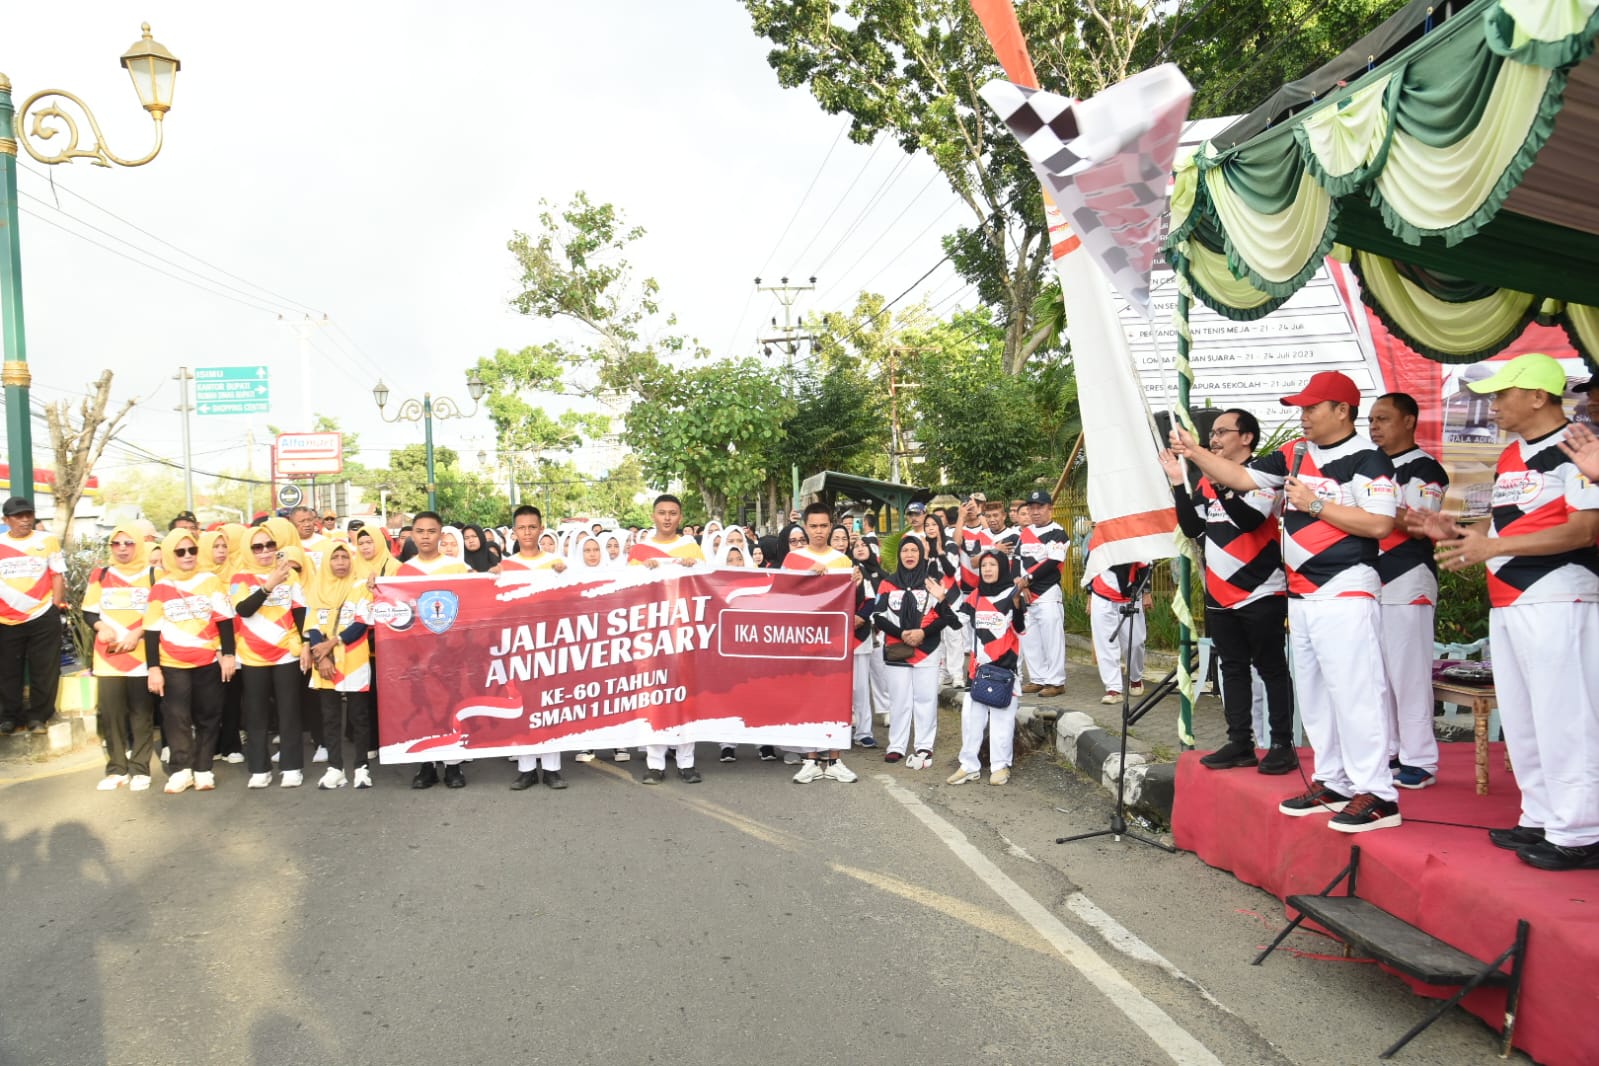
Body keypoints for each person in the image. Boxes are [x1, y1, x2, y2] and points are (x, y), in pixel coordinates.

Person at [1173, 370, 1401, 833]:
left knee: (1355, 691)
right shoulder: (1294, 453)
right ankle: (1332, 779)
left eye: (1312, 408)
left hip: (1346, 587)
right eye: (1300, 408)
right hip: (1302, 592)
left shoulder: (1368, 460)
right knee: (1315, 693)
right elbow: (1238, 476)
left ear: (1342, 410)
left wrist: (1316, 505)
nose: (1303, 416)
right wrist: (1194, 452)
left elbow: (1379, 524)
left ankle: (1377, 792)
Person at [1415, 354, 1599, 870]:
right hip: (1510, 600)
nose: (1492, 405)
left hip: (1560, 595)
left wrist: (1493, 550)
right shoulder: (1514, 455)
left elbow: (1585, 531)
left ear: (1538, 396)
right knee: (1524, 718)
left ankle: (1581, 829)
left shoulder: (1580, 448)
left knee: (1567, 716)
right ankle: (1542, 816)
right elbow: (1508, 533)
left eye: (1502, 394)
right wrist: (1456, 533)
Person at [1159, 409, 1297, 775]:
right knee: (1231, 669)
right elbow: (1192, 527)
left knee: (1271, 668)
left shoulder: (1262, 475)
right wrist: (1178, 483)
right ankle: (1240, 742)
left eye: (1223, 431)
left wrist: (1218, 482)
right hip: (1219, 591)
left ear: (1247, 437)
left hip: (1261, 588)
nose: (1214, 438)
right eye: (1213, 432)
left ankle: (1283, 744)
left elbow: (1249, 520)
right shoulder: (1206, 480)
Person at [1368, 391, 1449, 790]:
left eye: (1382, 419)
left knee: (1409, 674)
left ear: (1409, 421)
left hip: (1408, 576)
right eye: (1370, 420)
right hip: (1372, 580)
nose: (1374, 427)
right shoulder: (1371, 467)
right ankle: (1392, 751)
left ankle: (1420, 759)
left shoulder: (1423, 467)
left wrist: (1371, 505)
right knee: (1379, 675)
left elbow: (1421, 523)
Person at [144, 528, 238, 793]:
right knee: (176, 718)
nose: (187, 556)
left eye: (192, 550)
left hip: (208, 661)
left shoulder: (210, 580)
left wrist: (228, 654)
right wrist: (154, 668)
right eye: (180, 551)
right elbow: (151, 630)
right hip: (172, 664)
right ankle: (181, 769)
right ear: (169, 555)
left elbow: (224, 620)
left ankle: (203, 768)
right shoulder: (160, 587)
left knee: (209, 715)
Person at [628, 495, 705, 783]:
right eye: (662, 513)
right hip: (651, 634)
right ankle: (655, 763)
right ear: (653, 515)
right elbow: (627, 590)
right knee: (655, 697)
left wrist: (693, 568)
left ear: (681, 517)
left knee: (686, 697)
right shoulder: (640, 550)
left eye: (673, 513)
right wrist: (640, 571)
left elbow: (706, 586)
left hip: (684, 632)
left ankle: (687, 762)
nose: (667, 518)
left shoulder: (691, 548)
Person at [782, 502, 858, 784]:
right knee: (808, 697)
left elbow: (850, 601)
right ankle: (811, 759)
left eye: (823, 526)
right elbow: (783, 596)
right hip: (804, 639)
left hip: (835, 639)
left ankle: (835, 758)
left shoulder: (842, 561)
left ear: (830, 526)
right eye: (813, 526)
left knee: (837, 697)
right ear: (804, 527)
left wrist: (856, 582)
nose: (818, 531)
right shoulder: (793, 559)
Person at [397, 512, 474, 789]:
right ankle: (426, 765)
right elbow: (398, 611)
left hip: (450, 651)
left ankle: (453, 766)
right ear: (413, 535)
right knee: (422, 706)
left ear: (441, 534)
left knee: (451, 705)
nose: (426, 536)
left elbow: (476, 599)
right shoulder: (403, 572)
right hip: (417, 652)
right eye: (420, 531)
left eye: (432, 531)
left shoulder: (456, 568)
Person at [232, 523, 309, 788]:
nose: (264, 551)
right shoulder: (238, 578)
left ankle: (291, 766)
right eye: (257, 546)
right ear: (248, 549)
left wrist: (307, 644)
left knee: (289, 712)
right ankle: (259, 768)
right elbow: (243, 609)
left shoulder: (291, 575)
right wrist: (268, 585)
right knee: (256, 714)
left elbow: (300, 611)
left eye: (269, 545)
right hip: (252, 655)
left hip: (286, 653)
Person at [500, 507, 569, 791]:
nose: (527, 533)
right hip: (517, 644)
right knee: (522, 704)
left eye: (532, 527)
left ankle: (552, 768)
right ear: (514, 532)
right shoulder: (506, 566)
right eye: (522, 528)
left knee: (550, 703)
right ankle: (526, 768)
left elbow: (572, 599)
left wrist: (567, 576)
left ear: (541, 529)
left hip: (550, 642)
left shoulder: (556, 563)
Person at [873, 536, 958, 768]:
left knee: (925, 698)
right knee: (899, 700)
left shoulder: (933, 582)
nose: (909, 554)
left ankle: (924, 745)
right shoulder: (887, 583)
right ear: (899, 555)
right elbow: (878, 615)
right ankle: (896, 746)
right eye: (905, 550)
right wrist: (901, 633)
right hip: (897, 649)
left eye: (914, 550)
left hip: (927, 649)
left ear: (921, 553)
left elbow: (946, 616)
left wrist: (923, 633)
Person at [83, 524, 157, 791]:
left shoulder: (153, 575)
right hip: (109, 658)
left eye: (128, 543)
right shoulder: (100, 575)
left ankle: (140, 768)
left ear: (139, 544)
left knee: (141, 715)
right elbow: (89, 612)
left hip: (141, 657)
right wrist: (102, 628)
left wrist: (138, 633)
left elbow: (159, 613)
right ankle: (116, 768)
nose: (123, 548)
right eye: (117, 543)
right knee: (112, 715)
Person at [949, 549, 1028, 785]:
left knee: (1002, 721)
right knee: (970, 719)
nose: (988, 570)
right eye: (984, 566)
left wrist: (1017, 606)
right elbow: (956, 622)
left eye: (993, 565)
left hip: (1005, 670)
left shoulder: (1012, 595)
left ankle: (1000, 766)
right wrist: (943, 600)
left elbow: (1021, 629)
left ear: (1002, 567)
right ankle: (969, 765)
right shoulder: (975, 595)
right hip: (979, 671)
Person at [304, 541, 376, 790]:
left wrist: (331, 643)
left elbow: (361, 623)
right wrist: (321, 656)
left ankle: (361, 767)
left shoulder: (361, 586)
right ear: (326, 562)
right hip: (325, 663)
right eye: (335, 558)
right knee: (330, 716)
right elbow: (312, 626)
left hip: (354, 659)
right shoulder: (317, 588)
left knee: (359, 716)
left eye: (345, 557)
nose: (341, 563)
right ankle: (335, 767)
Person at [0, 496, 68, 735]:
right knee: (8, 671)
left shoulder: (47, 541)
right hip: (6, 620)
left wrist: (54, 608)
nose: (25, 520)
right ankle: (10, 716)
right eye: (19, 516)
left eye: (28, 514)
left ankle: (39, 716)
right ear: (6, 520)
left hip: (42, 615)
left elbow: (58, 575)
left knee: (44, 669)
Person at [1015, 490, 1068, 697]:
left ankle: (1056, 681)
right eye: (1032, 508)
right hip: (1027, 594)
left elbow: (1052, 562)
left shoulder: (1058, 533)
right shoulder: (1025, 533)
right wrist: (1024, 586)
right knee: (1031, 639)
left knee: (1052, 639)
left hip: (1047, 592)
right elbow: (1017, 562)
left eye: (1040, 507)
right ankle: (1038, 678)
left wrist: (1028, 580)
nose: (1035, 512)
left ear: (1049, 509)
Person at [1085, 557, 1152, 705]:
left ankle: (1135, 678)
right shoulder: (1098, 537)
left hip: (1130, 595)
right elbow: (1090, 565)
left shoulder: (1134, 537)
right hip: (1101, 595)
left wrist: (1147, 592)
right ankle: (1113, 688)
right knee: (1106, 643)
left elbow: (1145, 565)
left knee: (1135, 643)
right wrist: (1089, 595)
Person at [292, 506, 332, 571]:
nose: (307, 524)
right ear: (292, 523)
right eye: (302, 521)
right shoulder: (288, 544)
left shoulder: (326, 542)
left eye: (309, 520)